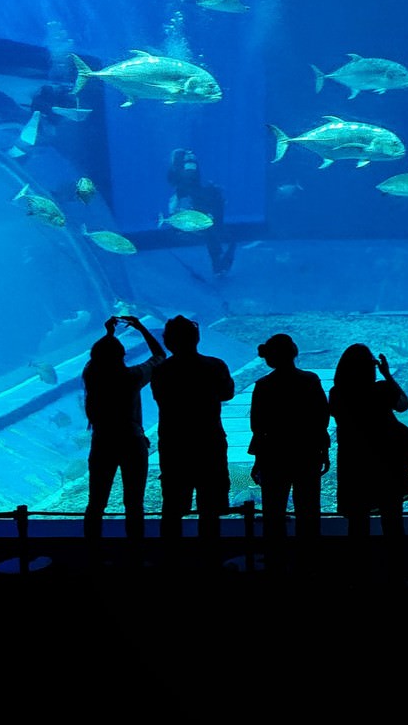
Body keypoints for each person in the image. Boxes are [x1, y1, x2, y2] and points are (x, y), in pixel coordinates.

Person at [151, 314, 235, 568]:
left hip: (175, 445)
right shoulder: (215, 365)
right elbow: (227, 393)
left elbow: (160, 399)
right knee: (210, 508)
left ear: (167, 341)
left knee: (173, 506)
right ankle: (211, 561)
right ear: (196, 338)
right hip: (208, 442)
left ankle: (171, 561)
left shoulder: (162, 370)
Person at [82, 314, 166, 567]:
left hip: (102, 441)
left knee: (96, 502)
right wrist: (141, 328)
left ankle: (93, 555)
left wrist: (109, 334)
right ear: (122, 357)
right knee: (134, 501)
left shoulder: (91, 375)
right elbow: (159, 357)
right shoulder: (131, 377)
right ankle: (136, 554)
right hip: (131, 441)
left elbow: (100, 357)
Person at [329, 344, 408, 578]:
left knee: (357, 521)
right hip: (386, 462)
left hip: (354, 462)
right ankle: (398, 572)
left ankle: (358, 573)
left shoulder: (338, 393)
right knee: (393, 519)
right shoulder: (382, 390)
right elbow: (404, 405)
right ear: (372, 368)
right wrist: (387, 375)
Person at [248, 333, 329, 573]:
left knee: (274, 512)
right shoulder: (310, 380)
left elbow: (257, 426)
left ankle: (276, 561)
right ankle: (310, 560)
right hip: (306, 453)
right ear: (294, 353)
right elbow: (321, 418)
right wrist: (323, 451)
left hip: (274, 456)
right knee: (309, 510)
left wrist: (258, 460)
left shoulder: (264, 385)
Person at [167, 147, 235, 275]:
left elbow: (180, 183)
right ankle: (219, 263)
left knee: (212, 230)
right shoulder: (190, 164)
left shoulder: (181, 166)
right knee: (214, 230)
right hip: (208, 200)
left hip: (204, 201)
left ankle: (219, 263)